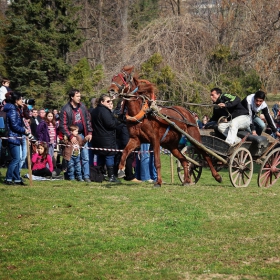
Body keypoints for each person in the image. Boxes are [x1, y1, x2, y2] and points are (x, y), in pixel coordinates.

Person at [59, 89, 92, 183]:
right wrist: (70, 136)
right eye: (77, 96)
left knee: (85, 157)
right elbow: (63, 125)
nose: (79, 98)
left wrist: (89, 132)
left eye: (80, 96)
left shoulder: (82, 107)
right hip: (71, 136)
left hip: (82, 134)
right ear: (72, 97)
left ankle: (86, 176)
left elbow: (88, 120)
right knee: (71, 157)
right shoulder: (65, 109)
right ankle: (71, 175)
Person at [91, 94, 120, 183]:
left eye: (111, 101)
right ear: (102, 102)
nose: (110, 103)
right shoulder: (104, 111)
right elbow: (110, 124)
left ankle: (101, 174)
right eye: (108, 101)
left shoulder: (95, 111)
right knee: (109, 156)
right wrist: (117, 121)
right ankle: (111, 176)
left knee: (101, 156)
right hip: (106, 138)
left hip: (98, 137)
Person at [3, 91, 30, 185]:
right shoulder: (13, 110)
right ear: (16, 100)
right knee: (16, 159)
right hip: (12, 136)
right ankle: (8, 178)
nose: (22, 100)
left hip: (16, 136)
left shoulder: (17, 109)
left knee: (17, 159)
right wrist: (24, 131)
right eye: (21, 99)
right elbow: (14, 125)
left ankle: (17, 179)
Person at [114, 100, 141, 183]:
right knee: (128, 151)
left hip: (124, 128)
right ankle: (129, 175)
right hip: (124, 128)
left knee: (123, 152)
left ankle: (121, 173)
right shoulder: (123, 106)